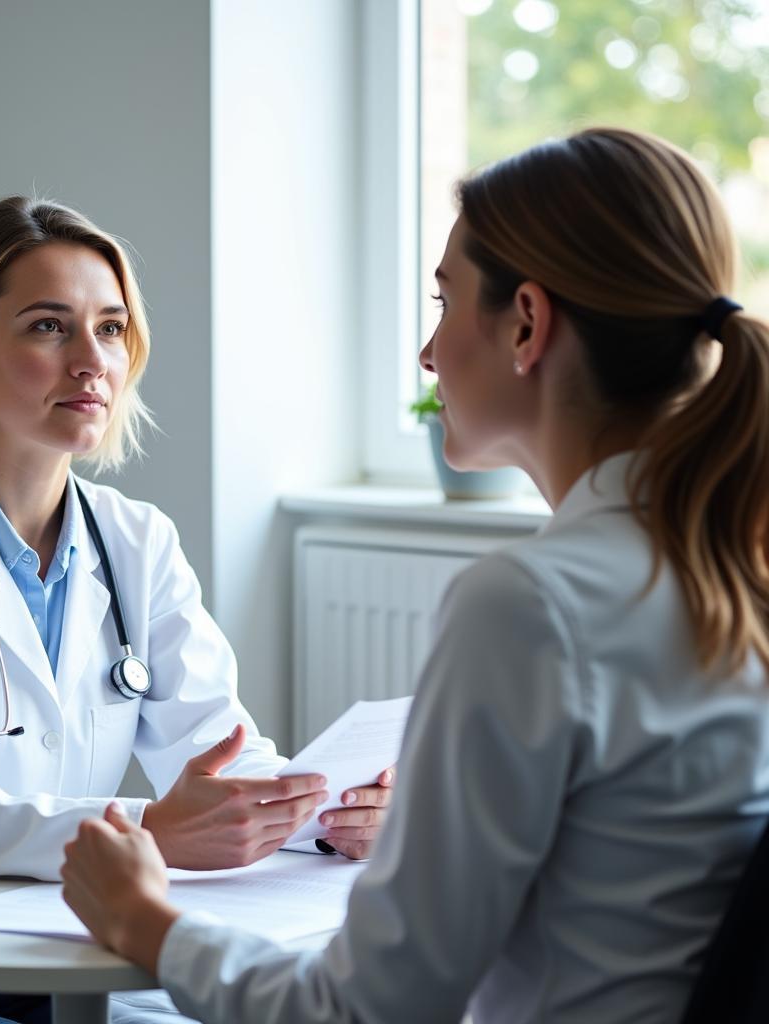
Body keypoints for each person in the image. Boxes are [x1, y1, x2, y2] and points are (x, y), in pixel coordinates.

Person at [60, 126, 769, 1023]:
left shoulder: (535, 604)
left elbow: (365, 1012)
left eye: (444, 303)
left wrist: (143, 921)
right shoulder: (729, 570)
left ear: (526, 323)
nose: (429, 355)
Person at [0, 196, 394, 1024]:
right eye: (50, 327)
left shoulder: (138, 541)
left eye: (112, 328)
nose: (93, 361)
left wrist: (332, 812)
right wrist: (151, 829)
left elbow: (218, 757)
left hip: (48, 949)